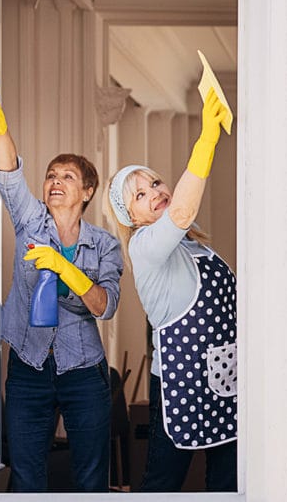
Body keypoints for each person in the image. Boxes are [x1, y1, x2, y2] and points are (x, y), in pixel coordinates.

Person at [0, 54, 124, 492]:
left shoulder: (105, 244)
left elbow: (105, 305)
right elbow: (7, 169)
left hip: (84, 371)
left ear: (87, 191)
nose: (55, 181)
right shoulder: (30, 221)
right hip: (28, 366)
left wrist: (62, 266)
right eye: (51, 175)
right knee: (27, 477)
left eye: (68, 176)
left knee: (92, 479)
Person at [106, 91, 237, 492]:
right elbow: (182, 211)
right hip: (181, 385)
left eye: (156, 183)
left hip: (225, 376)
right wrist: (206, 141)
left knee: (229, 481)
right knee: (161, 485)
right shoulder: (145, 247)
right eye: (140, 194)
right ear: (130, 216)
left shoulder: (194, 247)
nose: (156, 192)